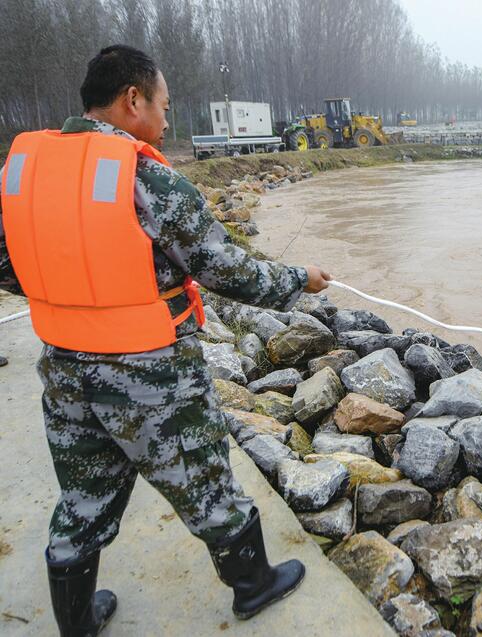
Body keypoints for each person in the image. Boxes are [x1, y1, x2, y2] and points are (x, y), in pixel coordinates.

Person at [0, 44, 331, 635]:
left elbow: (8, 267)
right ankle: (254, 586)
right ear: (133, 100)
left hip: (64, 370)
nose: (167, 120)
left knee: (82, 498)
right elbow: (227, 269)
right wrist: (297, 281)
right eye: (164, 104)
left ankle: (75, 623)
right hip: (151, 373)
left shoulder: (20, 169)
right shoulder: (145, 175)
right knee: (204, 480)